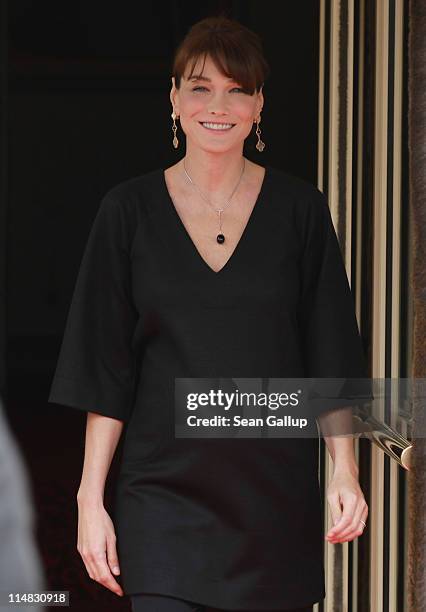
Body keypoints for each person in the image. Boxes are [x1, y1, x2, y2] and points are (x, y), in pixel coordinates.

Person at [48, 14, 369, 612]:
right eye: (199, 87)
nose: (217, 104)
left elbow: (332, 350)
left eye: (237, 89)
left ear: (258, 105)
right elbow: (105, 369)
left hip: (274, 502)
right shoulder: (128, 211)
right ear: (173, 99)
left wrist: (344, 471)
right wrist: (90, 500)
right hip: (163, 499)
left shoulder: (301, 211)